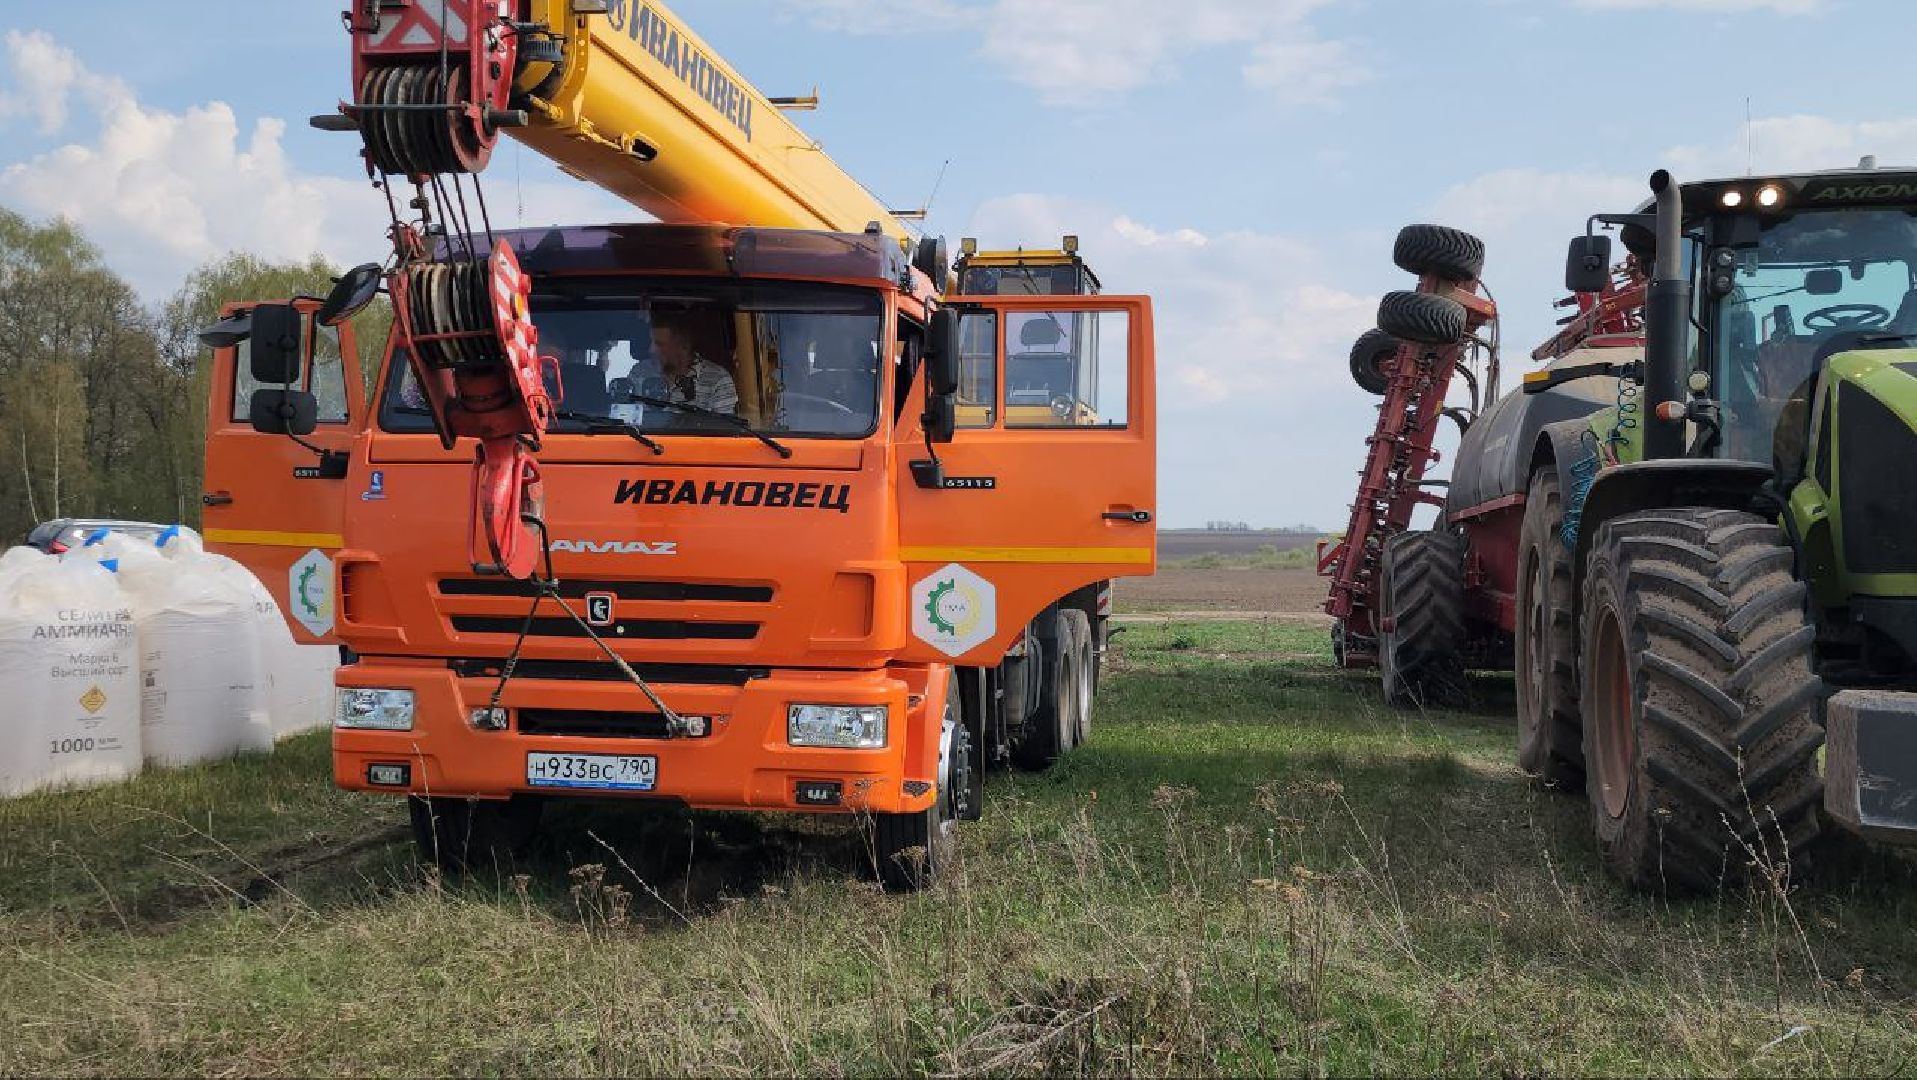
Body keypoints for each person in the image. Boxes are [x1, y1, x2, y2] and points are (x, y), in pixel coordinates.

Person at [649, 311, 739, 415]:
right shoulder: (640, 373)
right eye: (651, 342)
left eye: (659, 344)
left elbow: (725, 428)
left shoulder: (717, 379)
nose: (651, 350)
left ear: (684, 346)